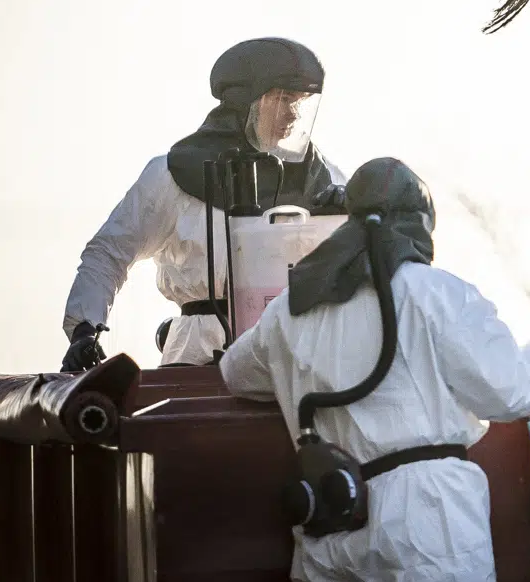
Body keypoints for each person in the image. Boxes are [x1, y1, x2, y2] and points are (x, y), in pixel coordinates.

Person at [219, 157, 530, 582]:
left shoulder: (290, 311)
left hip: (329, 517)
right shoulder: (434, 293)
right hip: (426, 519)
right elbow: (507, 391)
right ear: (421, 227)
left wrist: (301, 368)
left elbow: (235, 373)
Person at [61, 37, 346, 371]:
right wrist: (84, 328)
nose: (293, 114)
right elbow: (109, 253)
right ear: (246, 100)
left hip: (298, 357)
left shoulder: (327, 181)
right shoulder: (172, 175)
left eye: (299, 101)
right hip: (196, 359)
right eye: (283, 99)